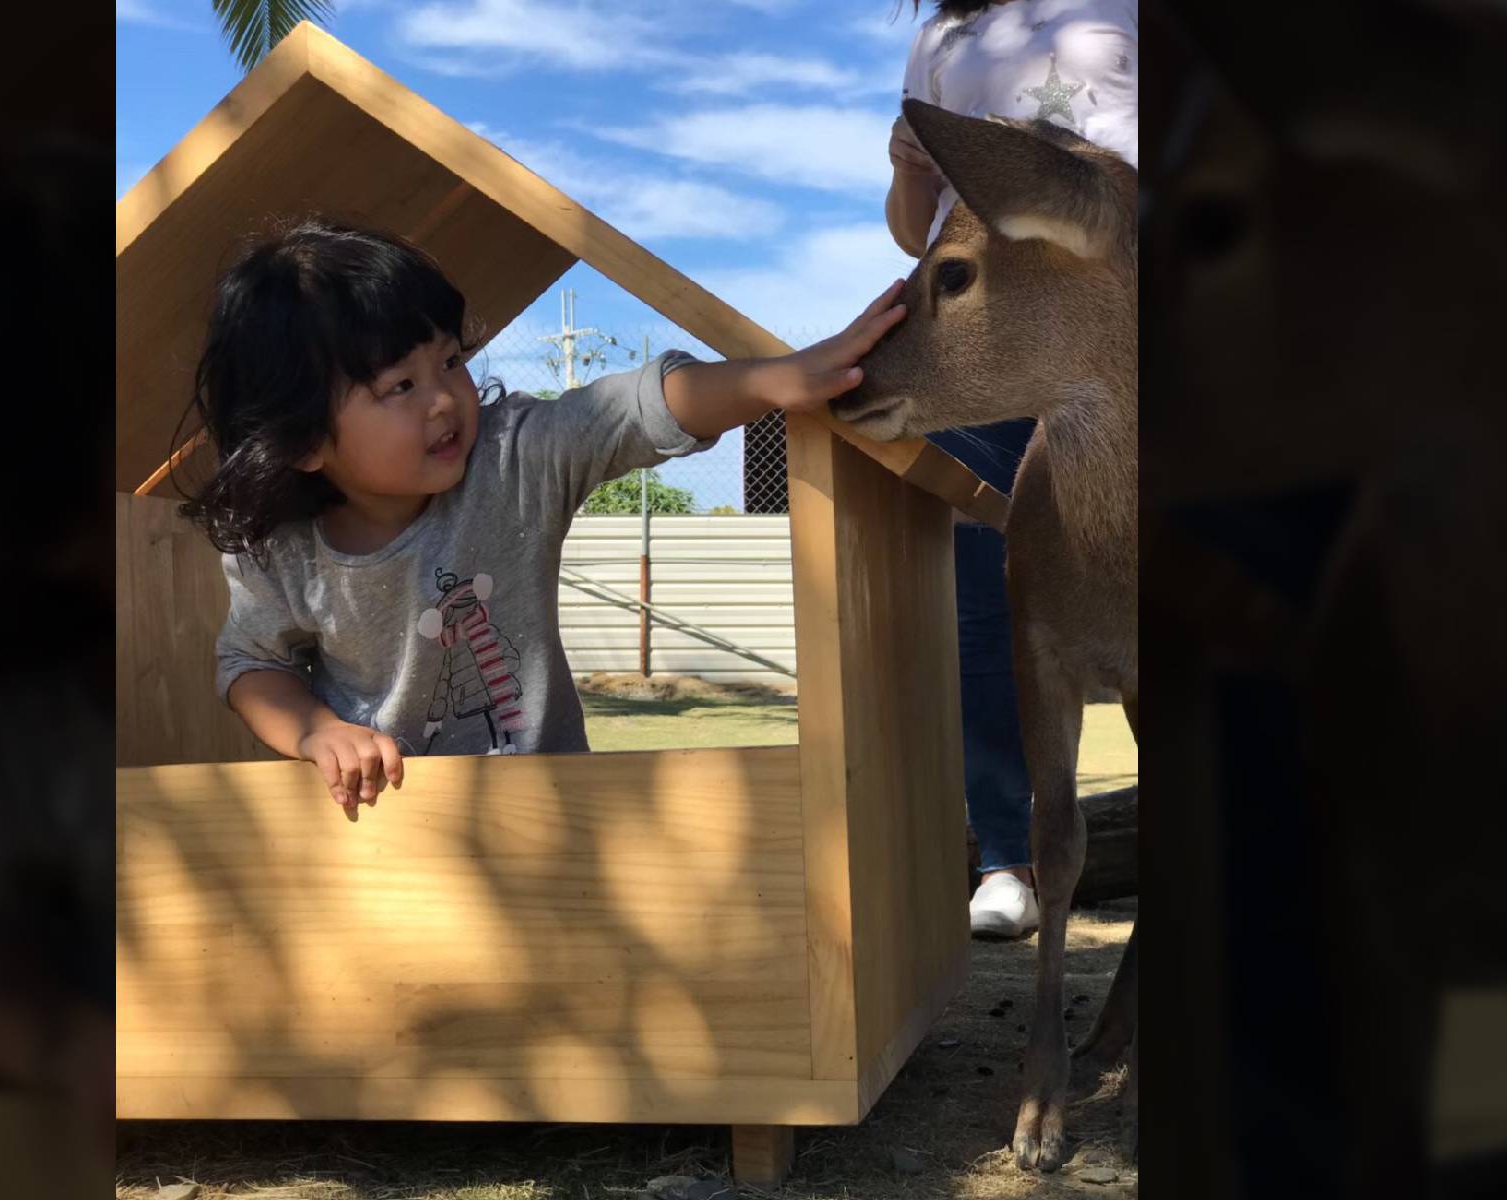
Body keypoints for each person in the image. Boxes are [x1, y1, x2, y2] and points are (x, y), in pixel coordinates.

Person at [180, 220, 906, 820]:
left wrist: (776, 379)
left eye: (451, 362)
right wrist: (318, 733)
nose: (444, 400)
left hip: (545, 806)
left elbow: (632, 408)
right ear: (304, 439)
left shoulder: (510, 458)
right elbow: (253, 662)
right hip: (380, 817)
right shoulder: (278, 549)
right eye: (400, 385)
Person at [885, 0, 1138, 938]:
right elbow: (916, 230)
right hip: (990, 317)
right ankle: (1006, 854)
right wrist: (911, 169)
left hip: (1118, 306)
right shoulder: (945, 35)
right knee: (980, 577)